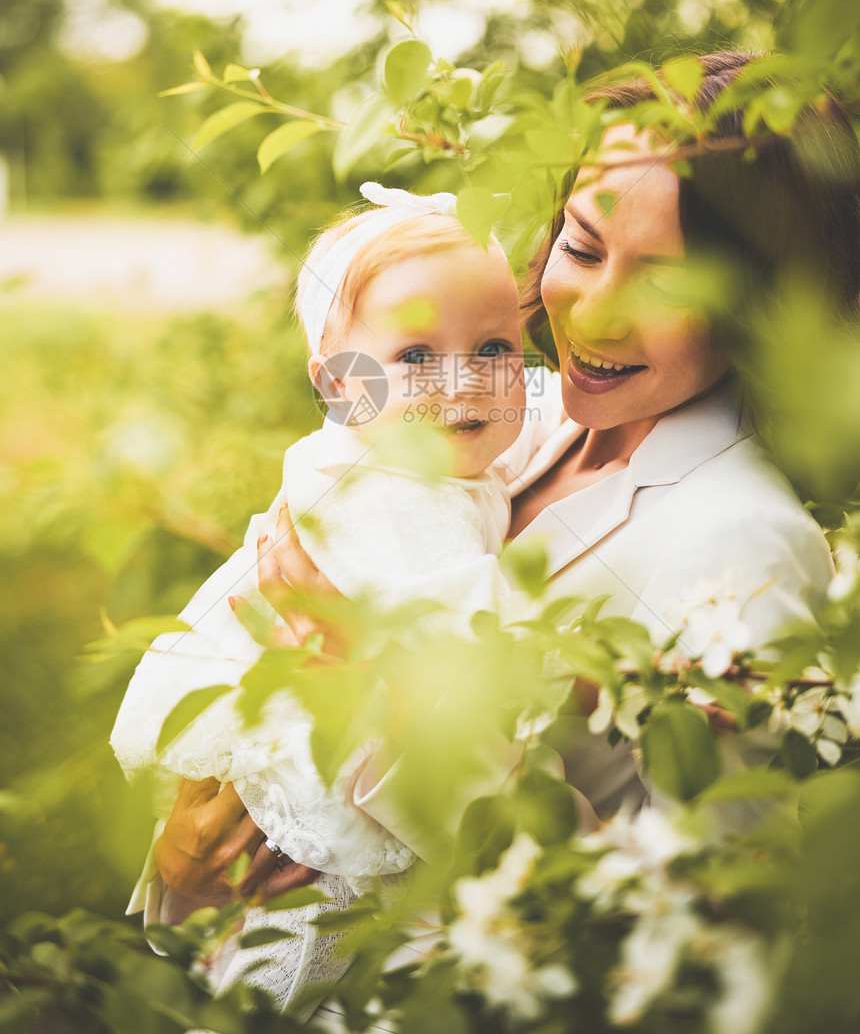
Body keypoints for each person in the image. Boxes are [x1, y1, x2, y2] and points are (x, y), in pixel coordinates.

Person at [154, 51, 860, 1006]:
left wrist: (374, 681)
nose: (596, 313)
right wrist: (198, 837)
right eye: (582, 246)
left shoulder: (746, 542)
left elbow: (683, 925)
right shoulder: (521, 407)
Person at [110, 180, 533, 1017]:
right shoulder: (393, 500)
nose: (465, 382)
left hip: (359, 781)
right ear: (340, 384)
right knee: (294, 966)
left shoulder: (430, 458)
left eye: (495, 347)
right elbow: (467, 648)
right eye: (415, 356)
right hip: (316, 814)